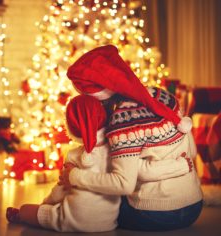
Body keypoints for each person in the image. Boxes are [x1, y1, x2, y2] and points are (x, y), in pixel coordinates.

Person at [63, 45, 203, 231]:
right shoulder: (163, 96)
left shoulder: (122, 121)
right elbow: (191, 151)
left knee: (90, 210)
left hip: (155, 213)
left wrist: (74, 176)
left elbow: (123, 184)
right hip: (194, 205)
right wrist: (174, 166)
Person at [6, 95, 192, 232]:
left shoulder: (73, 156)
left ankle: (19, 215)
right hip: (108, 223)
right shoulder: (119, 150)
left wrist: (45, 204)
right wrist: (182, 165)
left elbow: (60, 190)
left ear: (71, 128)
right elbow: (141, 172)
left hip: (70, 220)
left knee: (30, 211)